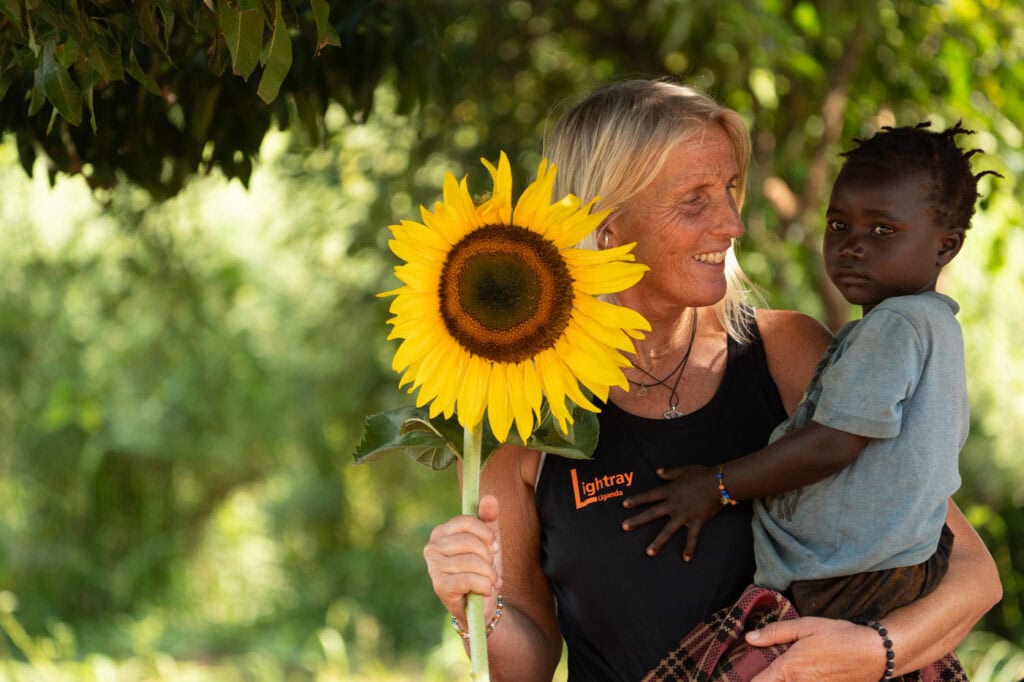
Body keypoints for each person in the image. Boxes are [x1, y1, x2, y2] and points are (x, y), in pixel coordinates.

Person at [422, 80, 1002, 681]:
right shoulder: (514, 412)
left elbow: (972, 575)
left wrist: (873, 652)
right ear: (609, 222)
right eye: (695, 199)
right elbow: (527, 666)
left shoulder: (787, 353)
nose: (732, 224)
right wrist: (475, 606)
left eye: (729, 189)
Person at [617, 121, 1000, 677]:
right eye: (839, 224)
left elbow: (831, 445)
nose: (853, 246)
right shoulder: (931, 327)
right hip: (886, 571)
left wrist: (717, 485)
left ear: (947, 245)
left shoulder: (893, 327)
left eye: (884, 230)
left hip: (843, 578)